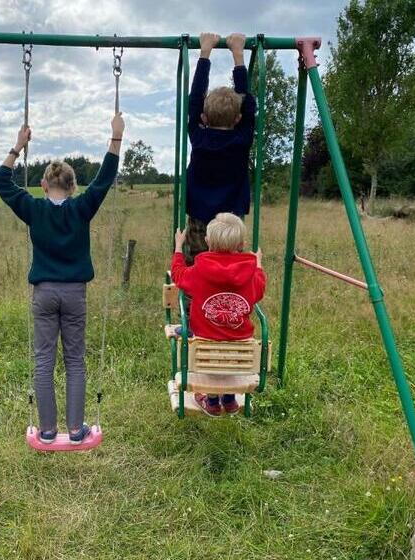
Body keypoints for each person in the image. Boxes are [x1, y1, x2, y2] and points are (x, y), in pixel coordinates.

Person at [0, 113, 125, 444]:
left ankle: (49, 431)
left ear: (43, 186)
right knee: (75, 361)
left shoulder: (34, 209)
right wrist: (116, 138)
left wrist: (17, 147)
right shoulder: (81, 208)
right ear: (73, 187)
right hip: (75, 294)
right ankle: (77, 430)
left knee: (44, 361)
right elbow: (104, 178)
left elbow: (0, 181)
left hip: (44, 294)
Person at [170, 213, 266, 416]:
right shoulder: (250, 272)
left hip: (205, 344)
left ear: (207, 241)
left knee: (199, 340)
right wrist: (258, 264)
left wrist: (179, 247)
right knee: (229, 353)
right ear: (241, 244)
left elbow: (178, 275)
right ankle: (229, 399)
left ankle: (212, 401)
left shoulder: (199, 271)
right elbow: (260, 289)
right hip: (240, 350)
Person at [184, 32, 256, 264]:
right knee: (230, 265)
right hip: (231, 220)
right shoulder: (242, 139)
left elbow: (195, 99)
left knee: (196, 265)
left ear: (203, 117)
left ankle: (195, 286)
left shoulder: (199, 137)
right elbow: (247, 103)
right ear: (238, 118)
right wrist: (238, 54)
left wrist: (205, 52)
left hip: (199, 217)